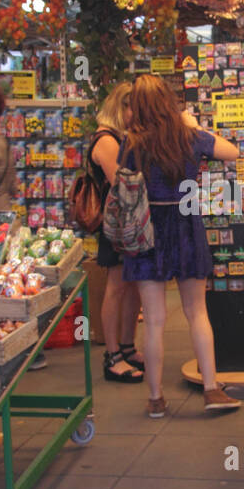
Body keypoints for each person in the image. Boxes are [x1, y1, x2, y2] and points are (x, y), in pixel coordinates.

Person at [120, 74, 242, 418]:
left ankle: (156, 398)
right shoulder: (188, 136)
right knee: (197, 312)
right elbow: (231, 152)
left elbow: (123, 180)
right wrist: (191, 122)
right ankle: (212, 389)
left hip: (147, 230)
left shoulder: (131, 143)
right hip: (186, 223)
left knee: (155, 321)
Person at [89, 83, 145, 383]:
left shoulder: (120, 138)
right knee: (116, 286)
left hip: (128, 222)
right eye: (133, 108)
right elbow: (121, 184)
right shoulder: (107, 140)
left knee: (131, 285)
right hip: (118, 224)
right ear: (120, 107)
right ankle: (112, 355)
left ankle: (126, 346)